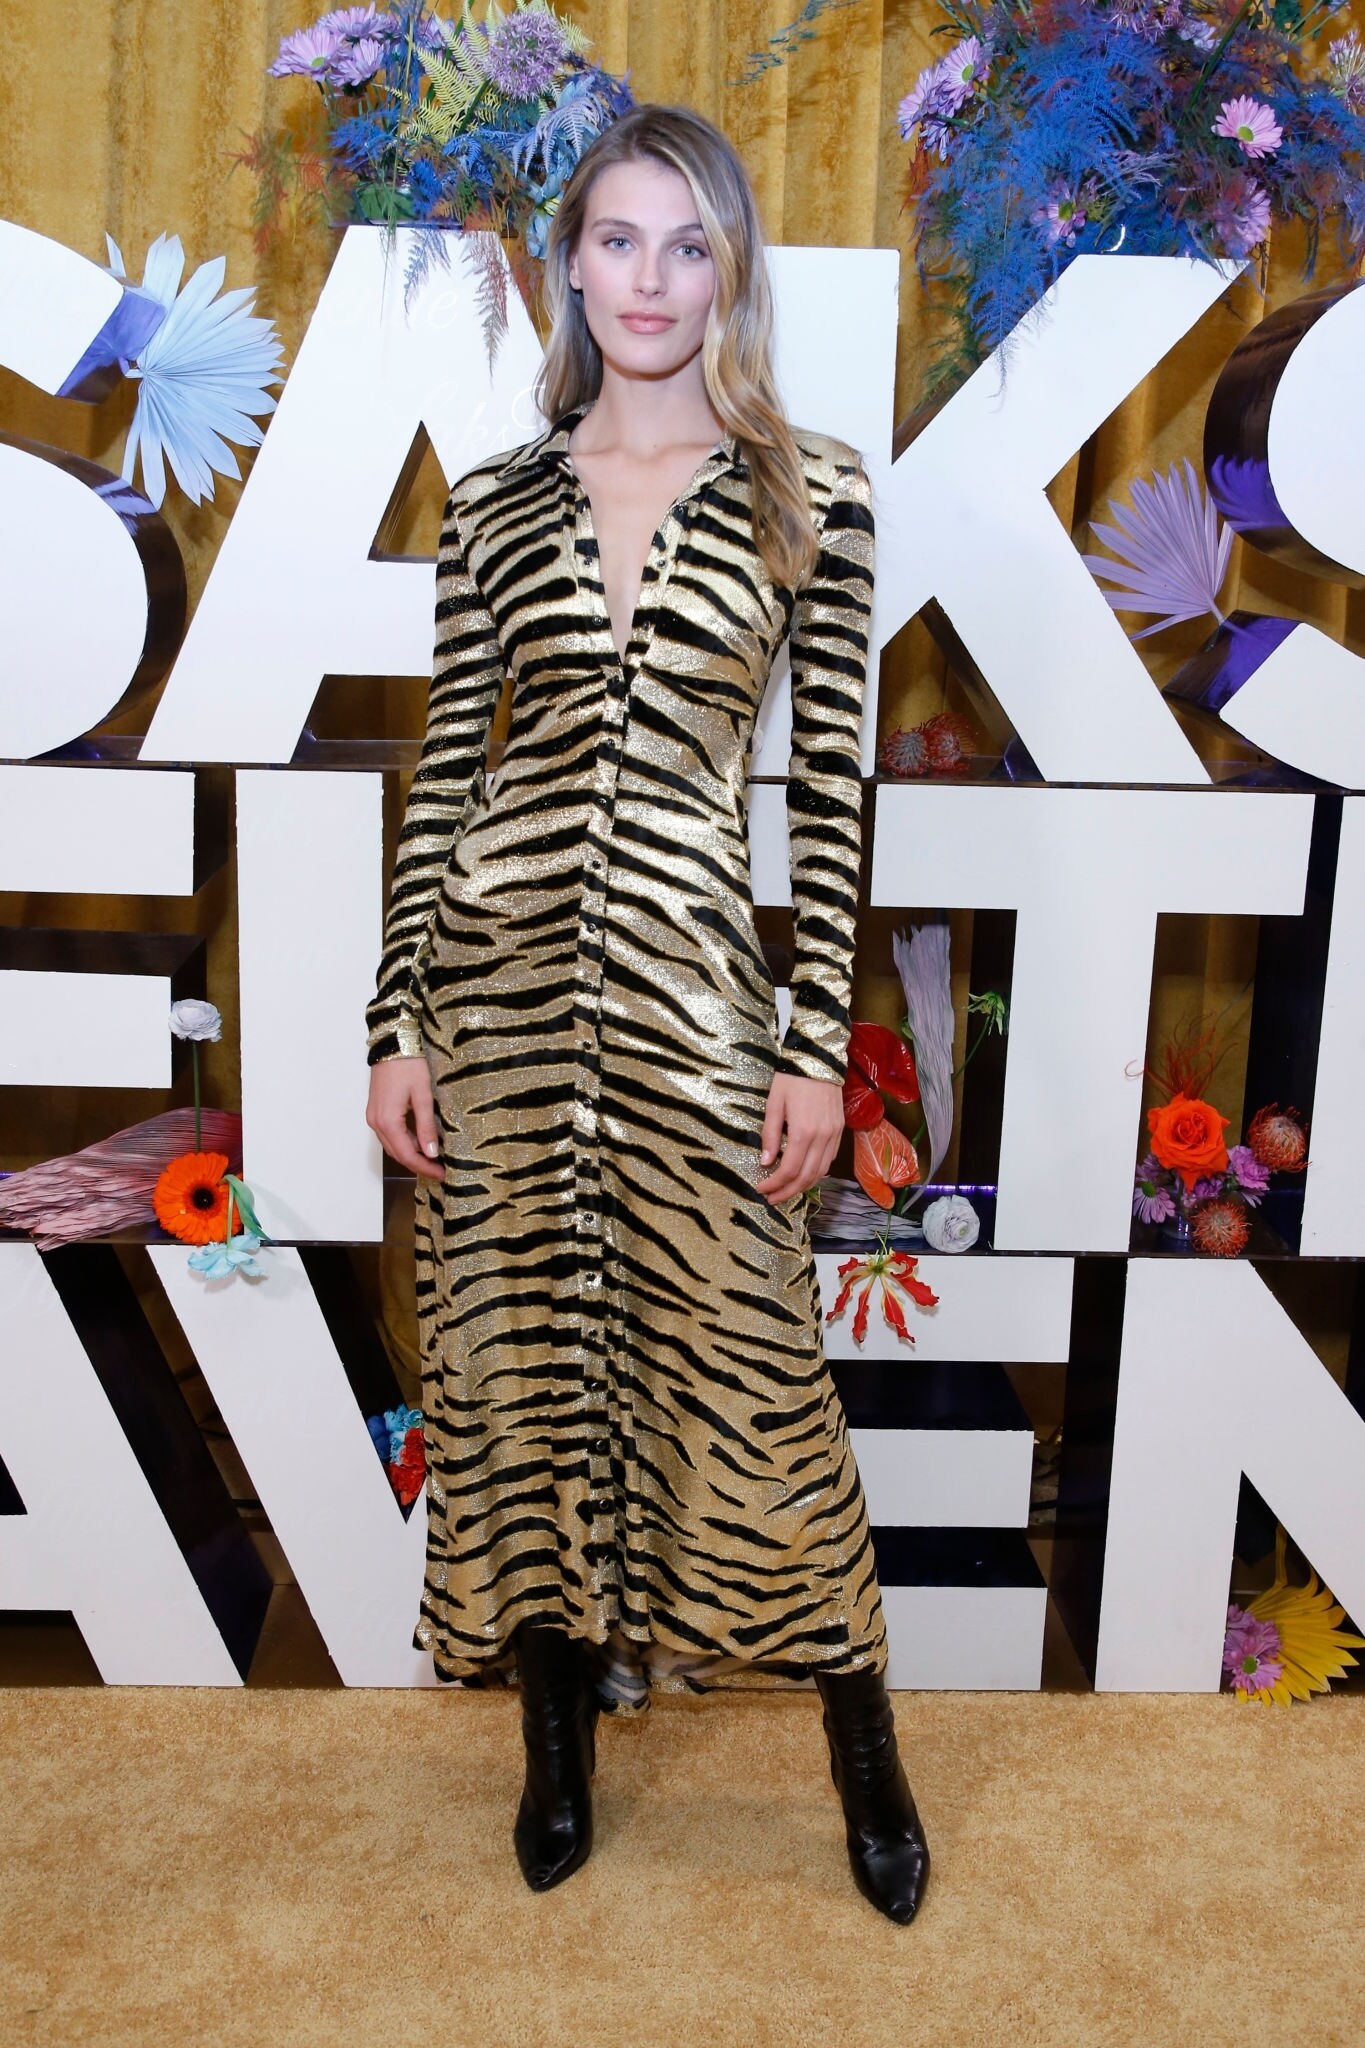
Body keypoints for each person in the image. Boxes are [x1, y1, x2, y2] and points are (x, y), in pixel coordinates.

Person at [365, 102, 929, 1925]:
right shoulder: (495, 500)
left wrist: (813, 1044)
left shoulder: (809, 491)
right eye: (618, 239)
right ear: (570, 263)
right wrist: (396, 1020)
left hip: (695, 1001)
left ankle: (862, 1751)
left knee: (758, 1385)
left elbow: (829, 797)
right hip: (496, 999)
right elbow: (449, 773)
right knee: (514, 1373)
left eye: (690, 245)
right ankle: (555, 1747)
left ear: (730, 273)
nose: (651, 280)